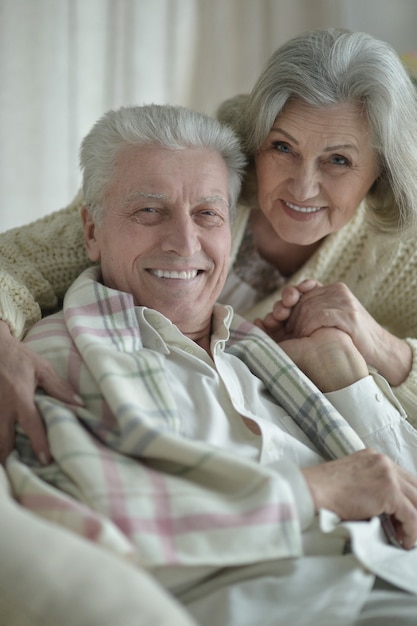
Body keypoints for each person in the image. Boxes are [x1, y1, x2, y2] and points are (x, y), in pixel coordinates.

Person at [6, 102, 417, 626]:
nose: (184, 242)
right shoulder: (61, 355)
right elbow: (103, 529)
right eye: (149, 211)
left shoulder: (263, 352)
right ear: (91, 231)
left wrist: (343, 373)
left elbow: (400, 486)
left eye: (207, 214)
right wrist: (316, 492)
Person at [1, 27, 417, 459]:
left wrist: (383, 347)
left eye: (338, 160)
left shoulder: (401, 250)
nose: (303, 187)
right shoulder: (198, 171)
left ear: (381, 171)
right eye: (282, 147)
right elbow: (13, 261)